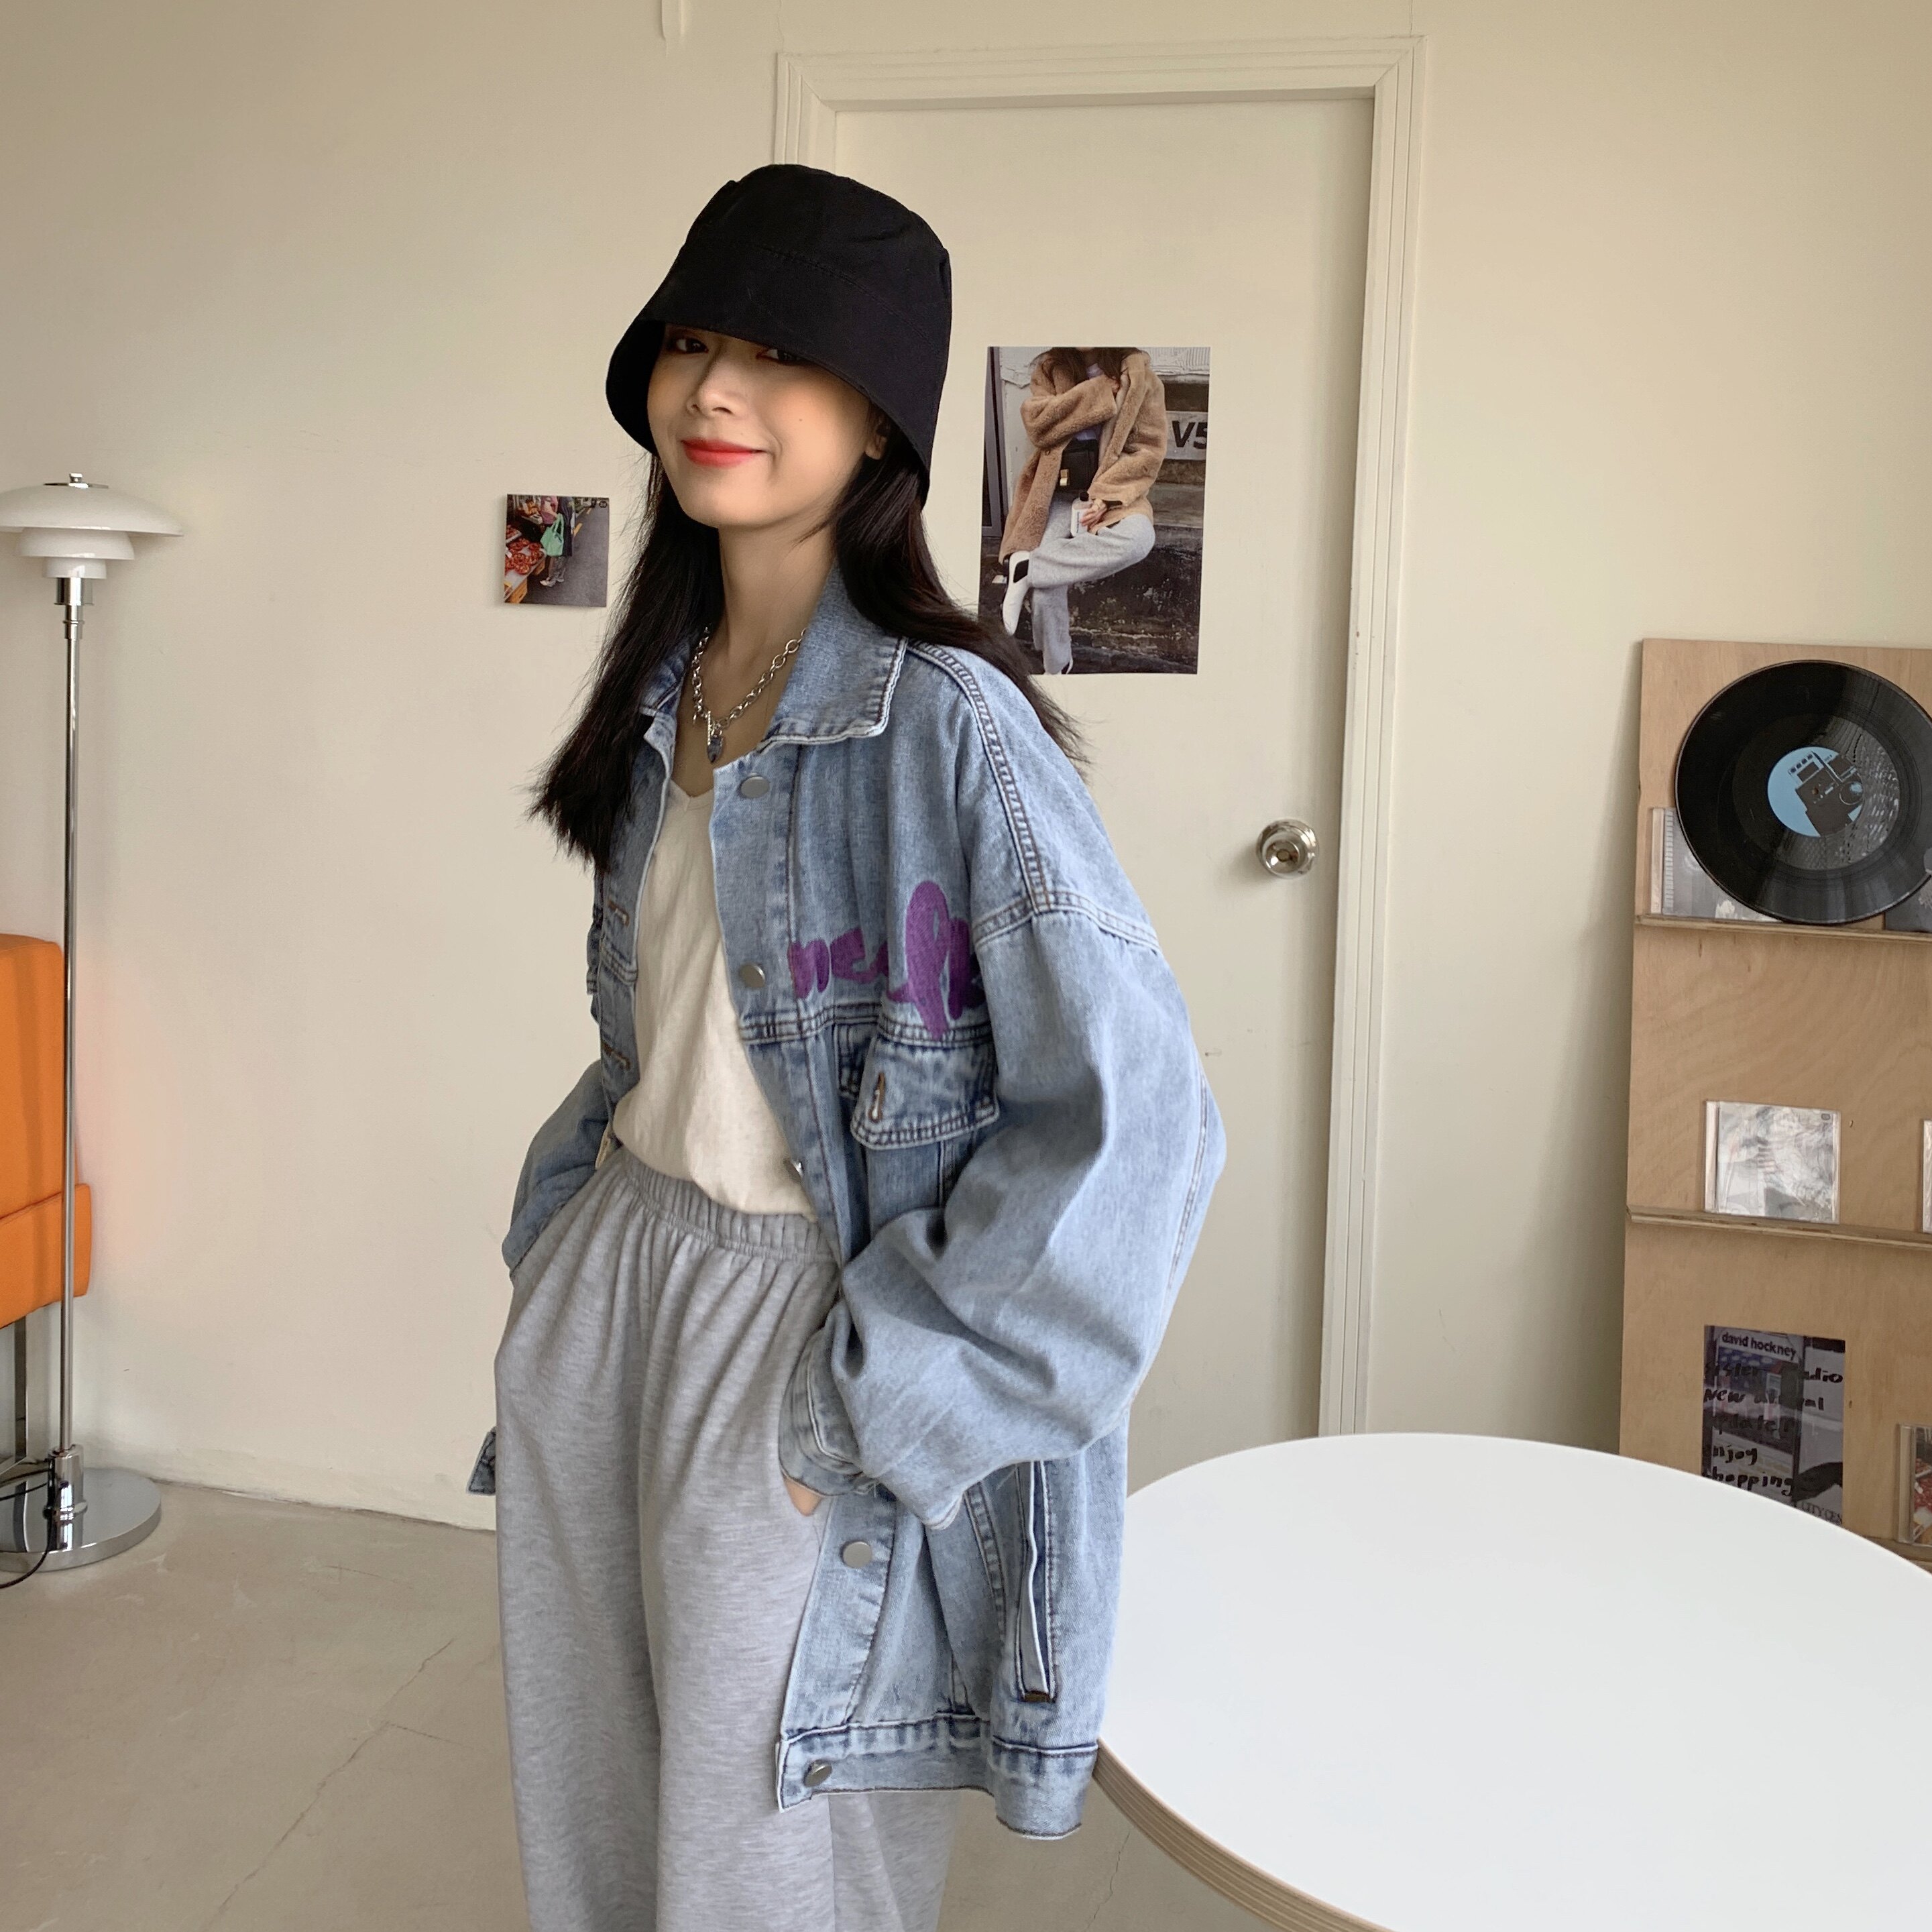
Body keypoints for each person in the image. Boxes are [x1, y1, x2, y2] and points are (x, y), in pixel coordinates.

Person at [474, 164, 1224, 1932]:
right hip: (619, 1282)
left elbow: (1137, 1127)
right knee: (601, 1836)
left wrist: (878, 1402)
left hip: (802, 1327)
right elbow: (666, 1038)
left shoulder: (947, 721)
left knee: (773, 1875)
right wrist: (560, 1265)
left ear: (877, 415)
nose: (716, 391)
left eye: (781, 357)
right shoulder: (665, 686)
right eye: (693, 344)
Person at [997, 346, 1168, 673]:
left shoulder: (1139, 375)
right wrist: (1099, 392)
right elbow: (1039, 426)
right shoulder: (1051, 369)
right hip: (1058, 493)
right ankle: (1057, 667)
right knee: (1047, 587)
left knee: (1138, 538)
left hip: (1113, 493)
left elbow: (1147, 451)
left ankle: (1027, 568)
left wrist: (1106, 497)